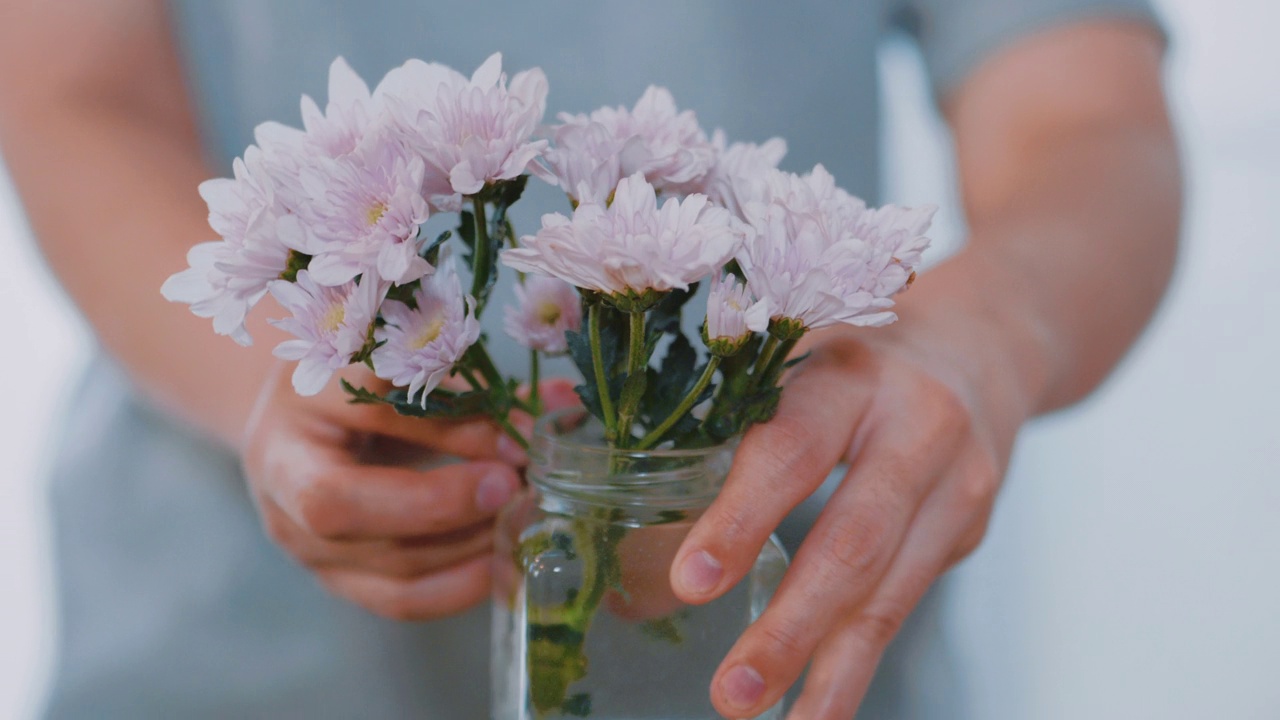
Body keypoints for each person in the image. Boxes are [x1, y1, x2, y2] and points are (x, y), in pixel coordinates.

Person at [0, 1, 1179, 718]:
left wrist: (984, 335)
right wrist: (299, 367)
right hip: (234, 668)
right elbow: (68, 90)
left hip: (777, 659)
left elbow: (1087, 120)